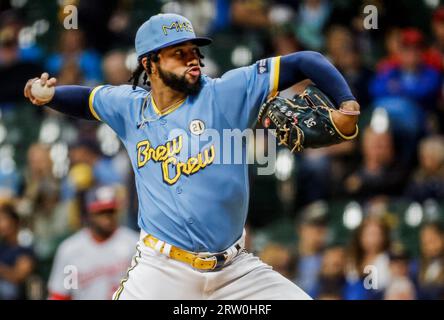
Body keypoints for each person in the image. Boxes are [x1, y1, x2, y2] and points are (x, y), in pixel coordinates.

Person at [24, 13, 359, 299]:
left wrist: (346, 103)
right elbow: (87, 100)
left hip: (235, 271)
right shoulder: (129, 107)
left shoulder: (226, 93)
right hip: (162, 269)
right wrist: (48, 95)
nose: (192, 59)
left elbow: (304, 61)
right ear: (149, 63)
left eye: (194, 51)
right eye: (178, 53)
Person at [47, 185, 138, 300]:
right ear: (89, 214)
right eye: (101, 212)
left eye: (111, 211)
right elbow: (59, 295)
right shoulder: (70, 250)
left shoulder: (134, 244)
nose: (107, 217)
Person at [0, 202, 35, 300]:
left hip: (15, 291)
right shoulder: (2, 246)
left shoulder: (25, 245)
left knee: (7, 289)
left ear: (15, 222)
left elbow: (19, 276)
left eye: (3, 219)